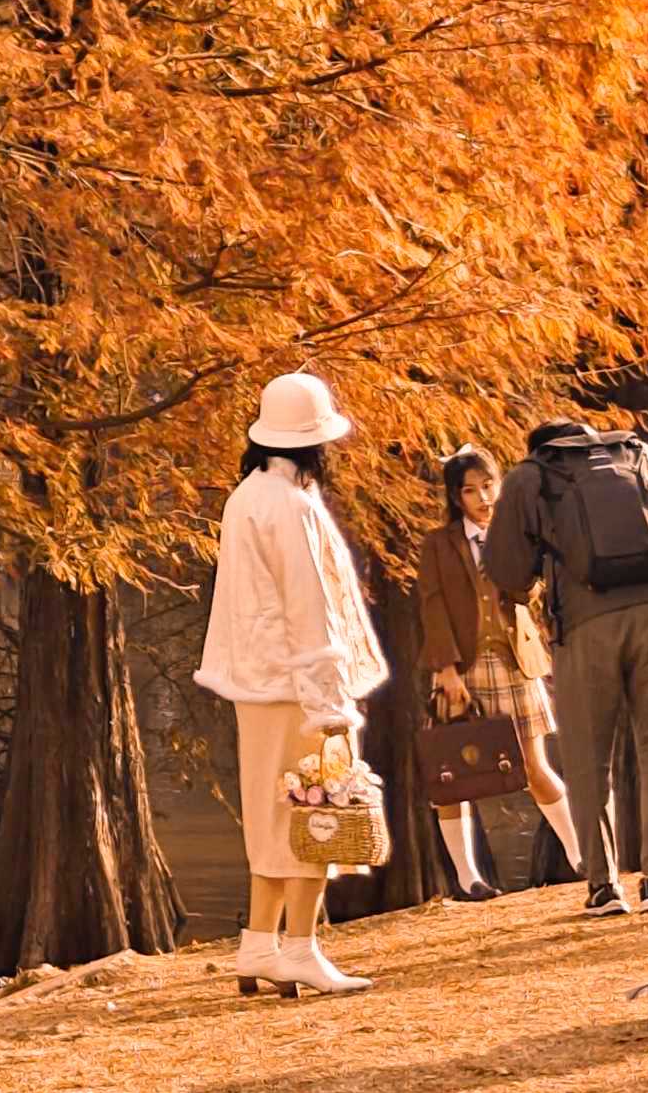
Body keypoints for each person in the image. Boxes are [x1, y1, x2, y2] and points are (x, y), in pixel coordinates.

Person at [195, 371, 391, 996]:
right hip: (296, 685)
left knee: (273, 816)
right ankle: (301, 948)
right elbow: (310, 608)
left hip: (259, 682)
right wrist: (329, 704)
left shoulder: (246, 496)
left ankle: (258, 944)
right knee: (317, 814)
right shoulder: (291, 504)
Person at [484, 413, 648, 916]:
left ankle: (604, 887)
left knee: (587, 758)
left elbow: (509, 571)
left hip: (584, 624)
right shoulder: (639, 454)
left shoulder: (530, 475)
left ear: (540, 448)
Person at [417, 446, 580, 897]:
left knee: (533, 765)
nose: (482, 497)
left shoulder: (519, 534)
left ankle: (579, 854)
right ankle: (468, 878)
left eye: (488, 486)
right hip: (461, 668)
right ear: (456, 497)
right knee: (453, 774)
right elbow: (432, 607)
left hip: (515, 660)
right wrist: (446, 670)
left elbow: (532, 594)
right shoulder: (439, 544)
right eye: (470, 491)